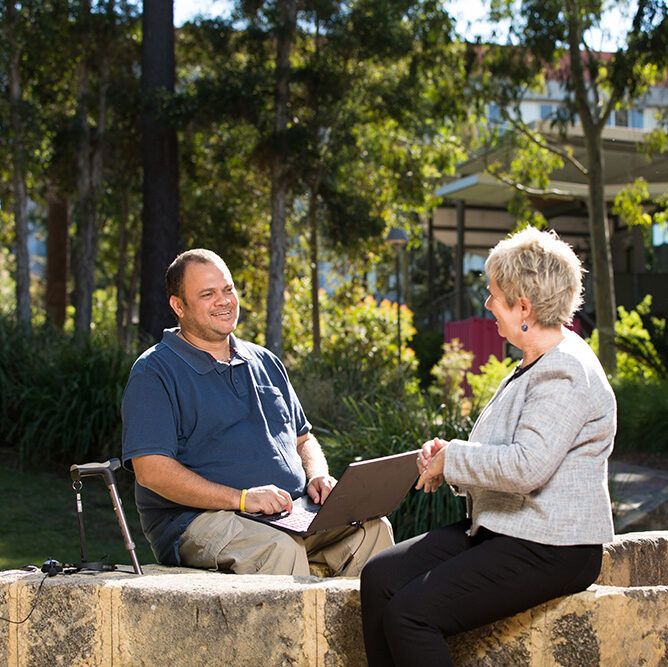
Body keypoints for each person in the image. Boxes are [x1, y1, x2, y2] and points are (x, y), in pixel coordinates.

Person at [360, 226, 616, 666]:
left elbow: (527, 466)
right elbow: (506, 450)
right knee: (380, 575)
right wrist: (448, 455)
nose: (486, 304)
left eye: (493, 295)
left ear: (523, 307)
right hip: (509, 527)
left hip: (555, 547)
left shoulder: (566, 370)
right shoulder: (535, 359)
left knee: (410, 614)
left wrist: (453, 458)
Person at [121, 248, 393, 576]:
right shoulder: (155, 370)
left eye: (228, 289)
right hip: (199, 521)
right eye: (208, 294)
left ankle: (361, 630)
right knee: (276, 548)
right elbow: (153, 472)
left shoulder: (265, 361)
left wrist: (318, 475)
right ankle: (296, 630)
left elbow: (303, 439)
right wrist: (242, 499)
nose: (224, 301)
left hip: (291, 512)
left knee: (373, 530)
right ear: (179, 306)